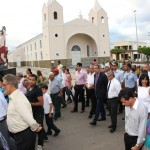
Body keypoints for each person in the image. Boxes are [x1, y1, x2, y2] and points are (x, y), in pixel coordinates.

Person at [2, 74, 42, 150]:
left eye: (3, 84)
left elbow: (27, 116)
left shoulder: (18, 99)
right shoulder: (13, 97)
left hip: (24, 136)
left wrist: (35, 127)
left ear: (9, 85)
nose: (2, 86)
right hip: (20, 136)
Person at [26, 74, 48, 150]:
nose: (31, 81)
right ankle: (45, 136)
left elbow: (41, 103)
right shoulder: (28, 88)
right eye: (30, 79)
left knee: (38, 128)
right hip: (31, 112)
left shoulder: (37, 89)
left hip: (38, 112)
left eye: (33, 80)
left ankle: (40, 144)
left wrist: (29, 103)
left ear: (35, 81)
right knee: (35, 127)